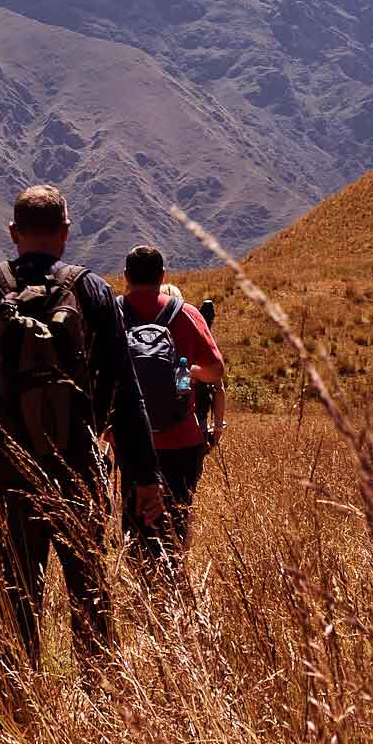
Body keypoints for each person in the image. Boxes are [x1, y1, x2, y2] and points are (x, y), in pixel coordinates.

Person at [0, 184, 164, 714]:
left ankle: (19, 713)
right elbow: (126, 391)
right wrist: (144, 476)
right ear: (65, 232)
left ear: (13, 233)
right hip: (78, 470)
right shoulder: (92, 292)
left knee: (18, 593)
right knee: (90, 592)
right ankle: (103, 708)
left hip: (9, 473)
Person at [119, 246, 227, 576]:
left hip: (132, 439)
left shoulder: (112, 313)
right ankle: (171, 586)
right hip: (181, 438)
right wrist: (186, 371)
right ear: (163, 275)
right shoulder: (186, 314)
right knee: (175, 521)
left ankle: (140, 589)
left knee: (136, 523)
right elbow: (216, 370)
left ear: (126, 277)